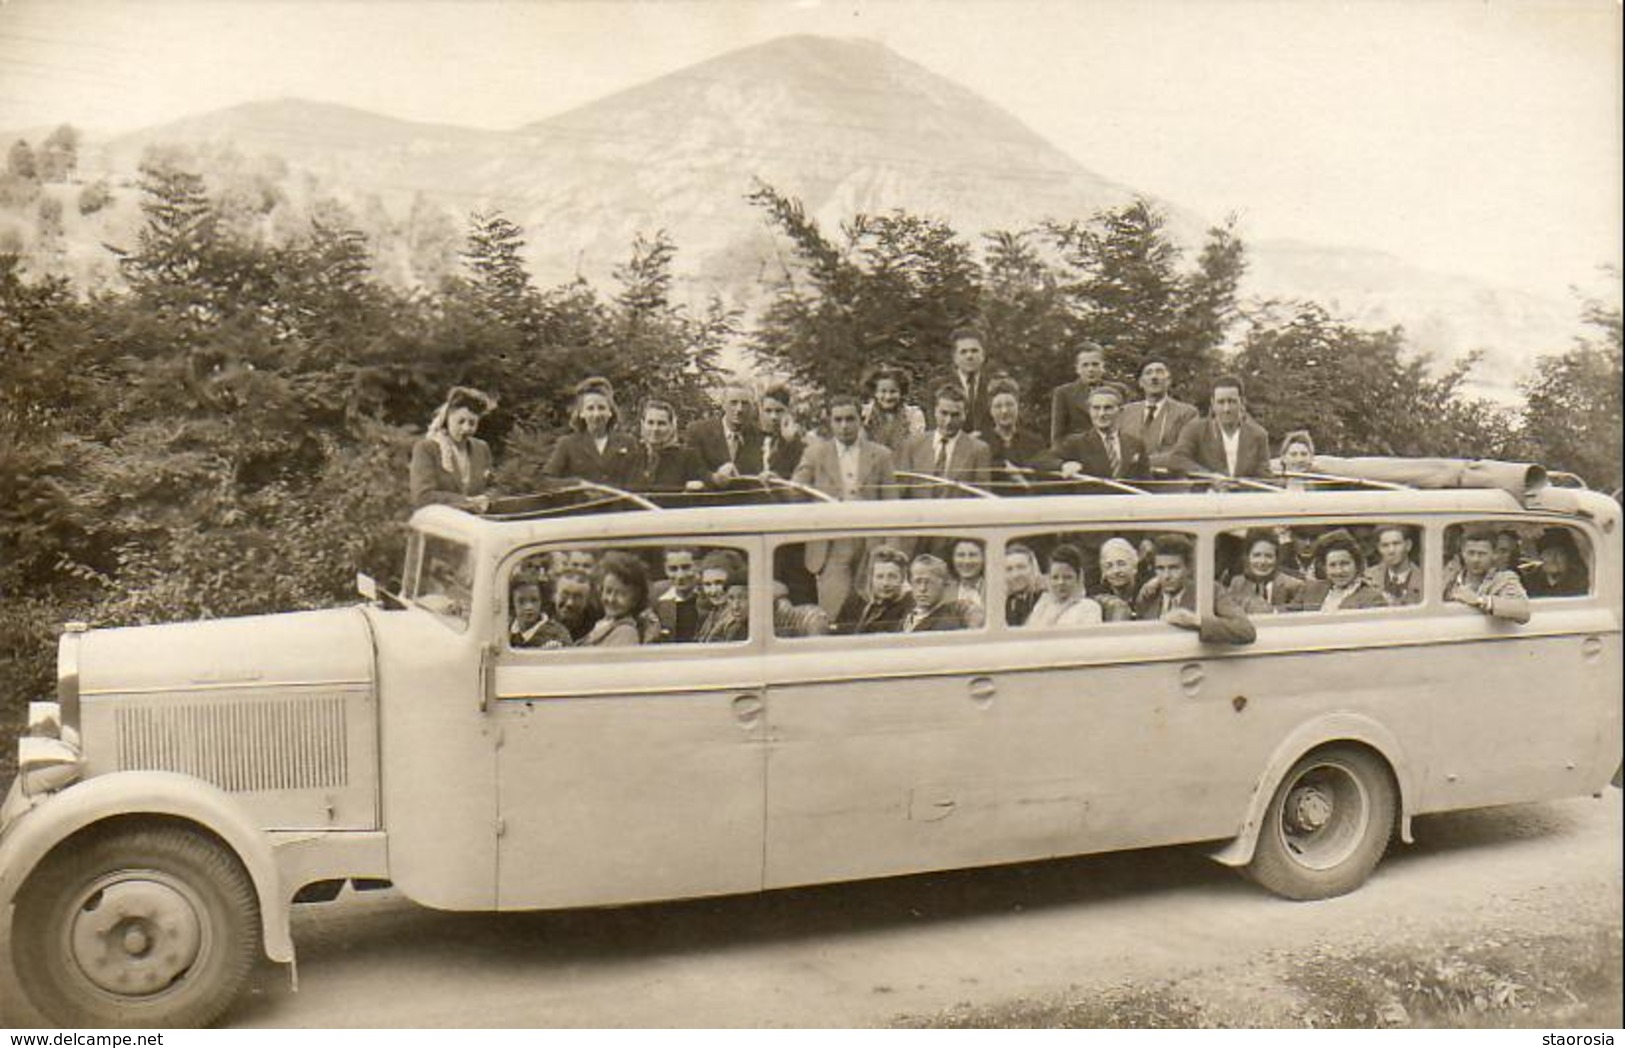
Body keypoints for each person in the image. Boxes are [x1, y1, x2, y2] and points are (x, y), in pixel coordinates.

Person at [792, 394, 899, 614]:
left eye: (850, 419)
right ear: (829, 422)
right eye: (838, 420)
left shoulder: (881, 455)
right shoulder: (815, 454)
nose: (844, 426)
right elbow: (796, 492)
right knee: (834, 611)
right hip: (830, 546)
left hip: (872, 545)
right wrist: (777, 480)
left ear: (860, 420)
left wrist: (892, 549)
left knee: (873, 609)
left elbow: (893, 504)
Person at [1133, 533, 1255, 644]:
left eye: (1174, 568)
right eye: (1160, 568)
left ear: (1188, 568)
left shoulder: (1210, 591)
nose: (1166, 576)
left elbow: (1246, 630)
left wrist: (1196, 621)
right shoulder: (1149, 595)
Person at [1165, 375, 1271, 481]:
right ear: (1213, 403)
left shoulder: (1258, 435)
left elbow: (1264, 475)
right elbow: (1177, 460)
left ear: (1242, 402)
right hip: (1206, 495)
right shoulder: (1195, 429)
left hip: (1243, 495)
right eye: (1221, 402)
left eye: (1232, 402)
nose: (1226, 409)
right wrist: (1210, 477)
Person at [1038, 385, 1150, 482]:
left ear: (1120, 411)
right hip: (1092, 504)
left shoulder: (1135, 444)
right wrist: (1062, 465)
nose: (1101, 414)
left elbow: (1146, 481)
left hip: (1129, 504)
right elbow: (1042, 459)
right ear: (1090, 411)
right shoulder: (1076, 443)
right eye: (1096, 408)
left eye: (1108, 408)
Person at [897, 384, 993, 495]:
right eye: (944, 413)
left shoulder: (978, 450)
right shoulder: (913, 445)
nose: (948, 421)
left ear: (965, 415)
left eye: (955, 415)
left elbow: (981, 496)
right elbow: (900, 490)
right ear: (935, 411)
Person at [410, 386, 496, 510]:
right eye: (460, 421)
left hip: (477, 523)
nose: (466, 428)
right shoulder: (426, 449)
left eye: (472, 423)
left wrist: (487, 498)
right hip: (440, 524)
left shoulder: (481, 448)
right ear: (447, 418)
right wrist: (466, 501)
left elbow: (494, 487)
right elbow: (422, 496)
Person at [543, 377, 639, 486]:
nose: (596, 414)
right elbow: (546, 481)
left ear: (610, 412)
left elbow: (637, 482)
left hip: (620, 502)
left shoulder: (627, 443)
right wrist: (577, 484)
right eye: (590, 408)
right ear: (581, 413)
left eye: (602, 408)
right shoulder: (567, 444)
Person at [1120, 359, 1200, 468]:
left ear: (1169, 380)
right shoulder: (1125, 412)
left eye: (1160, 372)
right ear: (1140, 383)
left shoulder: (1187, 413)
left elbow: (1183, 451)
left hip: (1167, 479)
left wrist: (1142, 461)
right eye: (1148, 373)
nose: (1154, 377)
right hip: (1128, 479)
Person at [1443, 525, 1531, 623]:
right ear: (1462, 553)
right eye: (1471, 553)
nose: (1475, 559)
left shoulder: (1504, 579)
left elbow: (1523, 611)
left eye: (1482, 554)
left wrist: (1479, 600)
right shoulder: (1451, 577)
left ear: (1494, 555)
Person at [687, 381, 765, 486]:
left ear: (752, 407)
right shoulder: (698, 432)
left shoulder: (760, 436)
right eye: (733, 402)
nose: (739, 409)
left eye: (745, 403)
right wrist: (713, 477)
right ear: (723, 404)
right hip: (710, 497)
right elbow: (691, 469)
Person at [1292, 530, 1386, 612]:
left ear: (1357, 565)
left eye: (1345, 564)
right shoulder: (1310, 590)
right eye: (1332, 565)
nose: (1339, 571)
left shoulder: (1372, 598)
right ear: (1325, 568)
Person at [628, 399, 706, 492]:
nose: (655, 429)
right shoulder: (631, 456)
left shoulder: (688, 457)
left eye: (661, 423)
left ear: (671, 426)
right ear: (642, 424)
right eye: (650, 422)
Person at [983, 377, 1047, 489]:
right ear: (991, 410)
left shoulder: (1035, 441)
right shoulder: (981, 443)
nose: (1004, 411)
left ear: (1018, 406)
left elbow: (1043, 474)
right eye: (998, 406)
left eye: (1009, 404)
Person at [834, 545, 912, 634]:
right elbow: (836, 634)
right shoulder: (855, 602)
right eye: (880, 577)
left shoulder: (909, 606)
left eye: (892, 577)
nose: (885, 583)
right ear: (871, 578)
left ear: (902, 578)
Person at [1226, 529, 1306, 614]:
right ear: (1248, 558)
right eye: (1256, 555)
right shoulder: (1237, 583)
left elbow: (1294, 619)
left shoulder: (1295, 586)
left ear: (1277, 559)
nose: (1262, 562)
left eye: (1269, 556)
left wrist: (1271, 611)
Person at [1024, 543, 1103, 629]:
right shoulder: (1042, 605)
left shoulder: (1089, 608)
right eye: (1055, 577)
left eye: (1067, 577)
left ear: (1079, 577)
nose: (1060, 582)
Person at [580, 552, 650, 647]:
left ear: (635, 599)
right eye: (608, 591)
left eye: (621, 594)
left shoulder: (626, 633)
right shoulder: (604, 623)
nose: (611, 599)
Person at [940, 326, 997, 436]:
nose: (969, 356)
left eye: (974, 351)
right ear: (954, 358)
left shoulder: (995, 384)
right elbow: (935, 428)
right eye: (963, 352)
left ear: (983, 355)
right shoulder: (938, 386)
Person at [1049, 342, 1109, 444]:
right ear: (1077, 368)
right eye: (1085, 365)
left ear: (1103, 366)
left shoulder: (1118, 390)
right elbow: (1058, 437)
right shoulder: (1064, 393)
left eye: (1095, 364)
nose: (1091, 369)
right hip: (1079, 454)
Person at [859, 364, 926, 454]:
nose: (888, 397)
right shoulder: (864, 414)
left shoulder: (913, 415)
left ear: (901, 392)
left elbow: (917, 447)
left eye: (893, 392)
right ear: (875, 392)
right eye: (883, 391)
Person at [902, 554, 971, 632]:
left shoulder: (948, 624)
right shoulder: (906, 615)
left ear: (944, 584)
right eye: (918, 581)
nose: (923, 588)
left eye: (929, 582)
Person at [695, 550, 750, 643]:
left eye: (719, 583)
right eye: (707, 584)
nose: (713, 591)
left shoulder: (737, 618)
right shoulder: (714, 613)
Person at [652, 547, 704, 643]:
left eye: (686, 567)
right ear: (665, 570)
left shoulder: (711, 594)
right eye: (673, 569)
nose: (680, 576)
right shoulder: (655, 595)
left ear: (698, 566)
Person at [1363, 525, 1424, 606]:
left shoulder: (1425, 580)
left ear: (1408, 545)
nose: (1391, 550)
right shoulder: (1367, 577)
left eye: (1396, 544)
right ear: (1378, 548)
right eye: (1385, 545)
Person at [758, 383, 808, 478]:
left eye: (779, 411)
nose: (773, 417)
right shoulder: (754, 438)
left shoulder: (799, 442)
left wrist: (790, 442)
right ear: (761, 412)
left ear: (788, 411)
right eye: (768, 411)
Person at [1523, 527, 1587, 597]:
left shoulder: (1579, 582)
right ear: (1541, 557)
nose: (1553, 559)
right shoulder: (1529, 583)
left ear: (1568, 559)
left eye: (1560, 553)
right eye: (1548, 553)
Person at [509, 578, 571, 649]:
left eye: (534, 600)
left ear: (541, 601)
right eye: (521, 601)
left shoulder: (558, 633)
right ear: (512, 603)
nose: (529, 607)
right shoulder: (505, 631)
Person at [1095, 537, 1144, 622]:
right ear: (1103, 572)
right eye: (1109, 566)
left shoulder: (1148, 593)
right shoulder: (1096, 597)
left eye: (1121, 564)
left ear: (1134, 566)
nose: (1116, 571)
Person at [550, 569, 599, 644]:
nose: (570, 603)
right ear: (554, 596)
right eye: (564, 595)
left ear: (587, 600)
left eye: (577, 597)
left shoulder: (597, 629)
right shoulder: (539, 623)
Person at [1004, 543, 1045, 627]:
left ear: (1033, 568)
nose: (1015, 575)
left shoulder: (1047, 600)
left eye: (1021, 567)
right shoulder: (1002, 604)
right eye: (1009, 569)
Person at [949, 539, 987, 615]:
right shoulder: (944, 591)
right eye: (961, 555)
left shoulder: (994, 590)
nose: (967, 561)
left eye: (973, 555)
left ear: (984, 558)